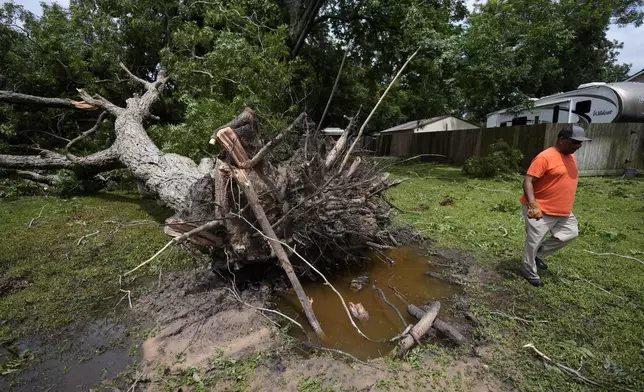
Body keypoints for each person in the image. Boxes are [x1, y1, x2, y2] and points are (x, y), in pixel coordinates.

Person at [520, 125, 591, 287]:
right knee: (534, 240)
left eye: (580, 143)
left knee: (570, 233)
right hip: (541, 209)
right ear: (561, 140)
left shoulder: (570, 156)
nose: (579, 146)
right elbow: (528, 180)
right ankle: (529, 270)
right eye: (575, 142)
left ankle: (537, 254)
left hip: (564, 210)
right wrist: (532, 204)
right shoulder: (545, 157)